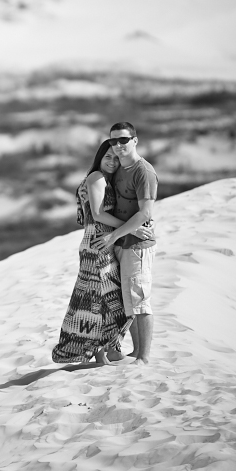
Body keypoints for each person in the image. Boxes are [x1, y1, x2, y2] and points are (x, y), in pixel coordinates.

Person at [51, 139, 153, 366]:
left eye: (116, 158)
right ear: (99, 158)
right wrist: (132, 228)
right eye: (107, 156)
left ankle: (109, 348)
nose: (112, 161)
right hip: (98, 242)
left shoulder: (104, 179)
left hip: (101, 240)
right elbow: (98, 215)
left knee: (107, 296)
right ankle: (98, 354)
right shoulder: (96, 177)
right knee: (99, 298)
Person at [92, 122, 158, 365]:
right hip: (120, 242)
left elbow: (144, 214)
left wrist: (114, 234)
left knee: (140, 301)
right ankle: (135, 351)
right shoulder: (119, 167)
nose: (118, 146)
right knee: (127, 302)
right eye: (113, 141)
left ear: (135, 140)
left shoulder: (144, 172)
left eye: (123, 140)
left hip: (137, 245)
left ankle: (144, 358)